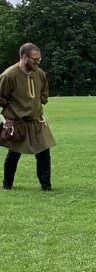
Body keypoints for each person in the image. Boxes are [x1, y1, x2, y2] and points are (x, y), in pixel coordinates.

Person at [0, 42, 56, 191]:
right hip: (18, 122)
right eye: (35, 59)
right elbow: (1, 97)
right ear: (24, 57)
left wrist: (38, 102)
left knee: (44, 152)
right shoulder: (9, 75)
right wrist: (14, 111)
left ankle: (46, 187)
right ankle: (7, 185)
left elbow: (44, 93)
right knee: (14, 153)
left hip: (36, 121)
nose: (38, 62)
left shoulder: (40, 73)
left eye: (39, 59)